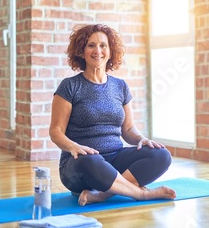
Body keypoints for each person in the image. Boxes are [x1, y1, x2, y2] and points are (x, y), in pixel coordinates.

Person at [49, 23, 176, 206]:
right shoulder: (69, 86)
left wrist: (142, 138)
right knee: (90, 160)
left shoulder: (120, 86)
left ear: (110, 51)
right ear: (81, 50)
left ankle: (102, 194)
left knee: (161, 155)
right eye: (91, 45)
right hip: (82, 164)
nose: (97, 51)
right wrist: (73, 146)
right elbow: (56, 131)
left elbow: (129, 129)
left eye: (103, 45)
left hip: (115, 160)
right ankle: (142, 195)